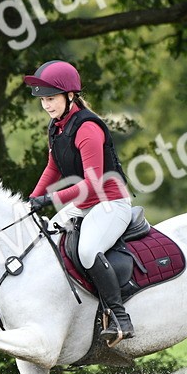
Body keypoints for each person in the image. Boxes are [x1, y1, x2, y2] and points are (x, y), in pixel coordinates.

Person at [23, 59, 135, 343]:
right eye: (43, 100)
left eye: (51, 98)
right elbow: (53, 168)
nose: (46, 105)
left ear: (69, 95)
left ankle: (120, 317)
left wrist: (50, 200)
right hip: (85, 204)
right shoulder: (57, 127)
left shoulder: (87, 128)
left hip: (110, 202)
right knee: (44, 240)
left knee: (87, 251)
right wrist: (33, 199)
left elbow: (93, 183)